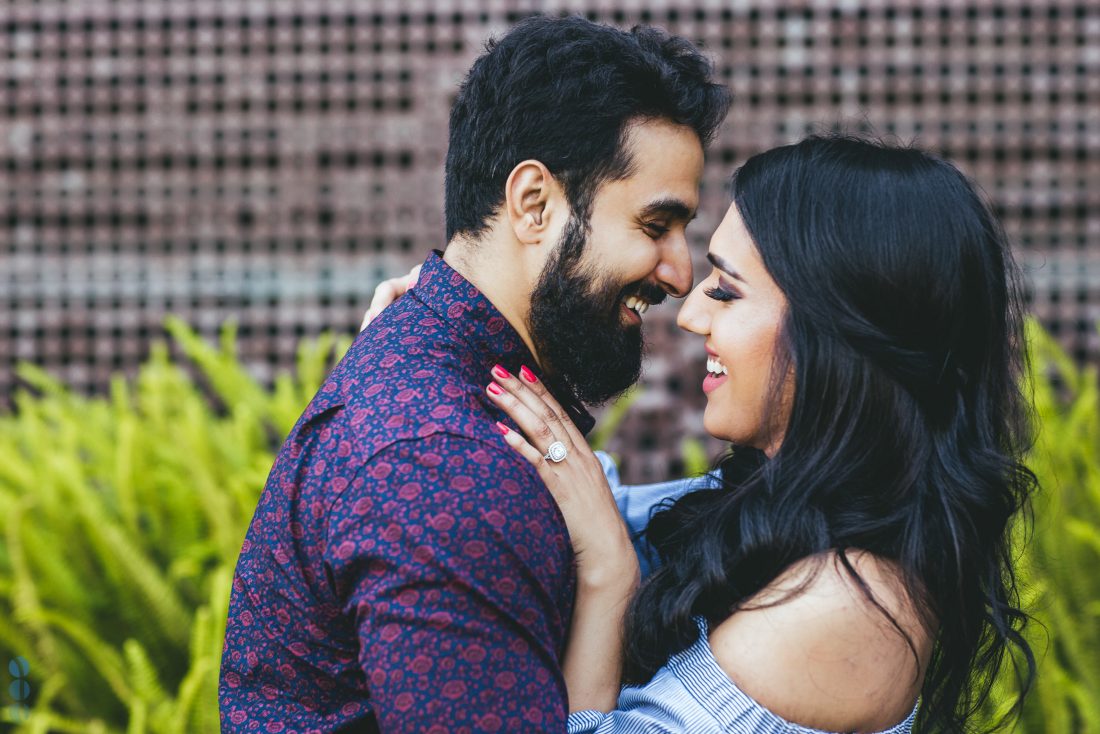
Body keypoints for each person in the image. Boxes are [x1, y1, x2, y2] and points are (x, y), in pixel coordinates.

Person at [369, 135, 1037, 732]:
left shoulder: (846, 608)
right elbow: (564, 499)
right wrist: (434, 360)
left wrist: (607, 571)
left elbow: (596, 529)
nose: (690, 313)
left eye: (727, 289)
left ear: (835, 333)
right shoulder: (781, 507)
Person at [218, 14, 730, 733]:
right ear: (533, 204)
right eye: (655, 226)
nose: (681, 272)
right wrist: (609, 577)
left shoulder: (437, 392)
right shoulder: (441, 467)